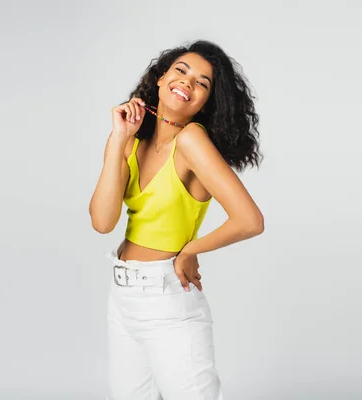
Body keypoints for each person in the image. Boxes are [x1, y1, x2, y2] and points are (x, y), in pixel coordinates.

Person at [88, 39, 264, 400]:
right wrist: (118, 140)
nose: (188, 82)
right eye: (181, 71)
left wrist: (190, 250)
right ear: (160, 77)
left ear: (207, 102)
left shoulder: (192, 140)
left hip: (167, 299)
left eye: (202, 83)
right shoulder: (134, 141)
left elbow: (250, 220)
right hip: (122, 298)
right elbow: (103, 222)